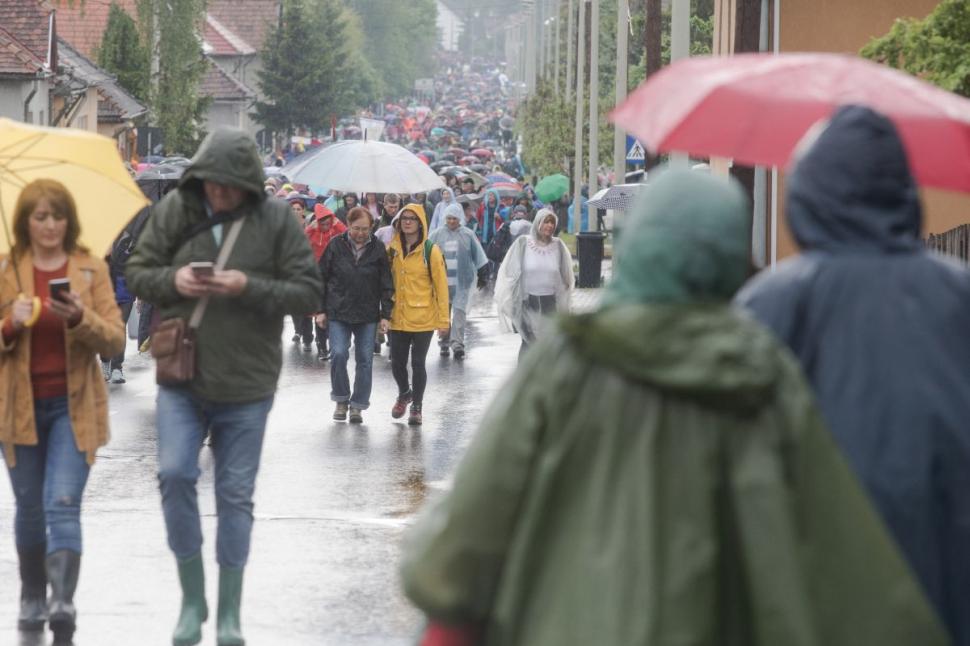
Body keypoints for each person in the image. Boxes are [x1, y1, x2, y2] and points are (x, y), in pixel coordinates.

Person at [399, 169, 949, 646]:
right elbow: (849, 562)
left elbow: (457, 550)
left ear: (635, 244)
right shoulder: (763, 377)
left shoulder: (567, 364)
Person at [735, 105, 970, 646]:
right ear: (903, 192)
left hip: (814, 595)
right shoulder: (959, 297)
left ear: (807, 196)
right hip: (946, 585)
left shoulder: (770, 304)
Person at [126, 127, 321, 646]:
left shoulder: (275, 219)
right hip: (182, 375)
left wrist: (247, 286)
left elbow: (308, 292)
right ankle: (192, 601)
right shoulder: (177, 210)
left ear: (249, 183)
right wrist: (174, 281)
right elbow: (137, 270)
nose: (220, 192)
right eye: (212, 182)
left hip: (248, 381)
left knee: (235, 494)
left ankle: (229, 613)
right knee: (173, 474)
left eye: (230, 185)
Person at [0, 179, 125, 643]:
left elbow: (114, 339)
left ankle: (62, 601)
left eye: (58, 216)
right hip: (17, 409)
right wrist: (10, 324)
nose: (50, 225)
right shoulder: (7, 270)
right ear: (26, 221)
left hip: (74, 409)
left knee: (63, 502)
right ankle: (33, 594)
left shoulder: (90, 270)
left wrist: (79, 317)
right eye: (40, 216)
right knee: (31, 508)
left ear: (69, 221)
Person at [316, 207, 393, 424]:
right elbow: (320, 278)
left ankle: (358, 405)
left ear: (372, 227)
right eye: (356, 228)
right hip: (338, 310)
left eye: (365, 229)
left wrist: (385, 315)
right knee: (338, 354)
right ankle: (341, 399)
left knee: (365, 360)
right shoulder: (335, 245)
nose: (360, 233)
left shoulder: (378, 248)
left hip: (367, 313)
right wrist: (320, 310)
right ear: (348, 226)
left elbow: (386, 283)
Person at [387, 204, 450, 426]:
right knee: (396, 362)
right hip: (397, 315)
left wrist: (444, 320)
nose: (407, 222)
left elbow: (441, 286)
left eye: (412, 218)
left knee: (418, 362)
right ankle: (405, 393)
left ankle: (417, 407)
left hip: (423, 317)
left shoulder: (430, 250)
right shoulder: (392, 249)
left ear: (421, 223)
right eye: (404, 218)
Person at [494, 208, 574, 358]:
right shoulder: (523, 243)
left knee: (549, 344)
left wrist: (565, 299)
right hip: (527, 301)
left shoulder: (558, 246)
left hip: (550, 303)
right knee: (528, 343)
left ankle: (547, 372)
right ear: (538, 223)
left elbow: (566, 277)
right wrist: (514, 298)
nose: (549, 226)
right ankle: (525, 371)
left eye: (552, 222)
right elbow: (511, 272)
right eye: (546, 222)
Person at [429, 203, 488, 359]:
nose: (451, 221)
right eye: (449, 218)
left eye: (454, 218)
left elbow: (478, 254)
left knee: (459, 313)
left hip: (462, 282)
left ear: (459, 218)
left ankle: (457, 345)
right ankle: (444, 342)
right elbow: (426, 253)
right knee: (444, 313)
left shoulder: (467, 234)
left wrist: (483, 273)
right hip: (442, 283)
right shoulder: (437, 234)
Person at [302, 204, 347, 360]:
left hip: (334, 277)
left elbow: (348, 234)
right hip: (315, 277)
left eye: (329, 222)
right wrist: (310, 228)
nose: (326, 225)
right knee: (318, 311)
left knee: (331, 311)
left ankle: (329, 342)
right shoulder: (312, 232)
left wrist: (337, 223)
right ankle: (322, 346)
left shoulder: (336, 232)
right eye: (322, 222)